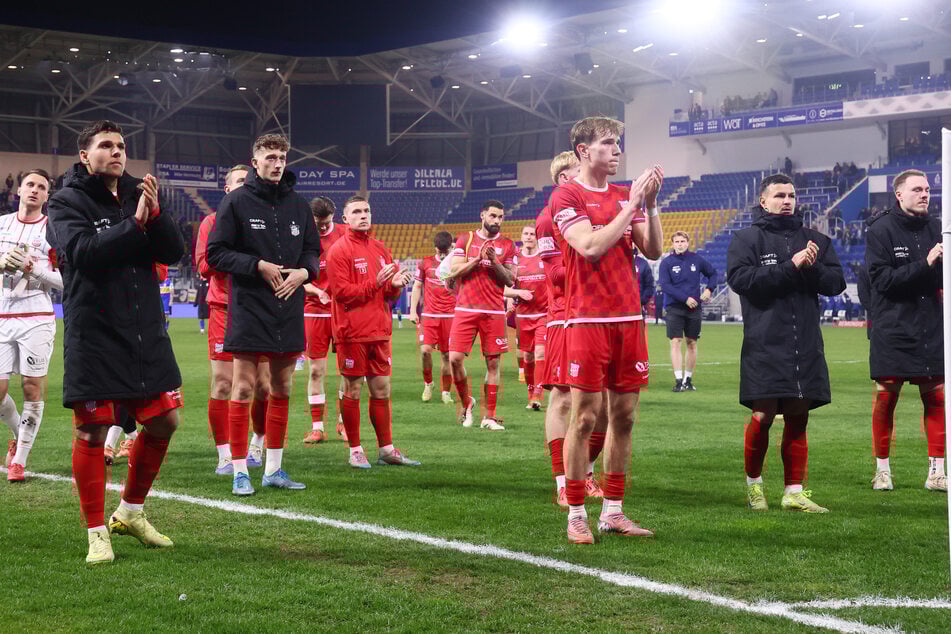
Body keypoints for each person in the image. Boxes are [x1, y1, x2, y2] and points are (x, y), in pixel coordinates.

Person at [47, 119, 185, 564]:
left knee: (165, 420)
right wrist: (134, 226)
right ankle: (95, 533)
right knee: (91, 429)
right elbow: (83, 252)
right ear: (85, 155)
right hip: (95, 332)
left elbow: (173, 252)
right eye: (106, 145)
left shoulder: (136, 194)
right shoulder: (65, 200)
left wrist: (156, 214)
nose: (117, 152)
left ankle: (129, 512)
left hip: (144, 330)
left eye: (122, 145)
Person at [551, 116, 664, 544]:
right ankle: (577, 513)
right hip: (586, 320)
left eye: (618, 143)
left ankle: (613, 512)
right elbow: (591, 246)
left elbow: (652, 248)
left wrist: (649, 205)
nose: (616, 151)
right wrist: (632, 206)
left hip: (627, 319)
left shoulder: (621, 196)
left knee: (625, 417)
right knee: (584, 419)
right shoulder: (566, 194)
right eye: (607, 143)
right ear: (583, 151)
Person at [207, 134, 320, 496]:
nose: (277, 163)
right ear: (255, 162)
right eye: (270, 156)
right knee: (242, 388)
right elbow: (216, 254)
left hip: (288, 308)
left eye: (282, 156)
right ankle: (240, 469)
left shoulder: (299, 205)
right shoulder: (236, 202)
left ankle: (273, 468)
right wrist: (256, 265)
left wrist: (306, 272)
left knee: (282, 387)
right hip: (249, 307)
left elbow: (312, 251)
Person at [726, 173, 845, 514]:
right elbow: (743, 281)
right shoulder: (746, 239)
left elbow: (835, 282)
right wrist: (790, 266)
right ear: (763, 201)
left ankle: (794, 491)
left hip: (805, 342)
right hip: (765, 342)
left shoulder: (815, 239)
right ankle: (754, 486)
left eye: (791, 195)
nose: (787, 200)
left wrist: (810, 267)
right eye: (779, 195)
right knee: (762, 416)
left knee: (798, 415)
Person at [865, 169, 946, 492]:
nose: (925, 194)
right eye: (917, 189)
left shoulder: (939, 228)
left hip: (931, 328)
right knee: (886, 401)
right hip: (893, 328)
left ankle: (936, 472)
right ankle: (882, 471)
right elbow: (882, 281)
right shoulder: (880, 230)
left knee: (937, 401)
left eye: (927, 189)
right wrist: (925, 264)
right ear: (899, 194)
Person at [327, 195, 420, 469]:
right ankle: (355, 450)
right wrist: (375, 283)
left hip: (379, 331)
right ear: (345, 219)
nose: (363, 215)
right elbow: (342, 294)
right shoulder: (339, 251)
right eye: (356, 211)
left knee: (381, 389)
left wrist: (397, 284)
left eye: (366, 210)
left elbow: (388, 294)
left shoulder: (381, 249)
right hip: (352, 332)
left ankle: (386, 449)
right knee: (352, 389)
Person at [536, 151, 605, 508]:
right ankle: (563, 481)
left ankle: (587, 472)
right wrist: (593, 253)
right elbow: (554, 274)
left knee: (603, 405)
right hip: (565, 316)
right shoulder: (548, 218)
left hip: (598, 314)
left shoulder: (592, 210)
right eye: (577, 171)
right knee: (562, 398)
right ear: (564, 178)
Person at [194, 165, 271, 476]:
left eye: (248, 181)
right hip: (225, 308)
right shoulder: (211, 223)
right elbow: (203, 265)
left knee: (263, 386)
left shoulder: (265, 222)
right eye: (239, 181)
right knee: (224, 383)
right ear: (227, 189)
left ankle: (257, 443)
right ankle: (224, 454)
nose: (245, 185)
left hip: (260, 309)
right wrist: (244, 259)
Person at [0, 169, 62, 482]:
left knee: (31, 387)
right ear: (19, 190)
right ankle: (18, 434)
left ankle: (20, 459)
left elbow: (66, 281)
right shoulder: (1, 225)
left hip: (36, 318)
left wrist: (33, 271)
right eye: (30, 185)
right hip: (1, 317)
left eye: (41, 187)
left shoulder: (53, 230)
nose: (35, 190)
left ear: (47, 195)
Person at [446, 200, 516, 430]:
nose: (497, 221)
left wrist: (494, 261)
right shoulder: (465, 239)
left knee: (493, 364)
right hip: (466, 308)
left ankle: (490, 416)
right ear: (483, 215)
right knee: (454, 358)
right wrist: (477, 259)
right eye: (493, 216)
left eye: (500, 217)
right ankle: (467, 403)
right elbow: (454, 271)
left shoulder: (507, 245)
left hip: (494, 310)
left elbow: (510, 279)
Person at [301, 196, 348, 444]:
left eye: (326, 222)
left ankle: (343, 424)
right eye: (318, 223)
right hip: (314, 310)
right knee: (316, 370)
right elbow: (298, 276)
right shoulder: (302, 237)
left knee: (347, 370)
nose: (321, 227)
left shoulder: (345, 233)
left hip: (343, 311)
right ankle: (317, 427)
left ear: (334, 217)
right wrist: (316, 291)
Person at [658, 232, 716, 392]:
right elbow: (665, 285)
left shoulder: (696, 260)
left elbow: (713, 274)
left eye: (682, 241)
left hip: (694, 308)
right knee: (675, 342)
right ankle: (678, 380)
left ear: (688, 242)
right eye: (676, 241)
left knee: (692, 343)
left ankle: (688, 380)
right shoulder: (666, 263)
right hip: (674, 308)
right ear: (672, 244)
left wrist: (709, 290)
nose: (680, 244)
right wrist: (685, 298)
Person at [408, 231, 456, 405]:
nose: (443, 254)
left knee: (446, 356)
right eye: (440, 250)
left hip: (451, 315)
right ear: (435, 247)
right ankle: (428, 383)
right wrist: (413, 310)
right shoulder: (425, 263)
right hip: (429, 315)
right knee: (425, 351)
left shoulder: (457, 263)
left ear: (451, 246)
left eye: (446, 250)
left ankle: (445, 392)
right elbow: (417, 286)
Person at [512, 225, 548, 411]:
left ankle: (537, 395)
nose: (528, 237)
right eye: (525, 234)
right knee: (528, 356)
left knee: (541, 352)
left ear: (537, 237)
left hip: (544, 314)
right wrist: (518, 293)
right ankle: (530, 392)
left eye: (532, 234)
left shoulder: (545, 257)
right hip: (523, 316)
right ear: (521, 237)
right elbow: (504, 289)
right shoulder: (515, 260)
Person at [634, 252, 654, 320]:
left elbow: (650, 286)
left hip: (637, 310)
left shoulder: (642, 263)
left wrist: (641, 301)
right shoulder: (615, 261)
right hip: (617, 309)